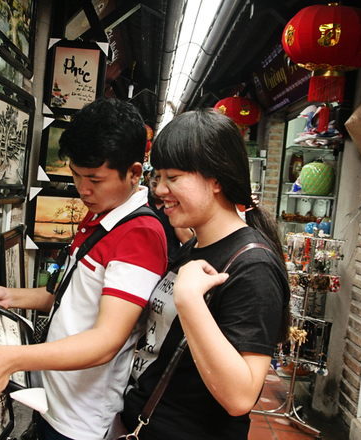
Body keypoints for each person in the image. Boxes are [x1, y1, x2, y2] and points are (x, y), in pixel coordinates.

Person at [0, 98, 168, 440]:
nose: (83, 189)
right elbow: (71, 296)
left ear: (135, 172)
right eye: (76, 176)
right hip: (54, 400)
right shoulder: (102, 214)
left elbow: (106, 341)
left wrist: (11, 359)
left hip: (81, 421)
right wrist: (11, 297)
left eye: (95, 178)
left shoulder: (139, 235)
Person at [121, 109, 290, 439]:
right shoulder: (196, 244)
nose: (160, 190)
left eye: (174, 177)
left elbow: (241, 398)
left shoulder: (252, 267)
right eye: (160, 177)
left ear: (216, 179)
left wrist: (189, 300)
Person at [148, 167, 194, 262]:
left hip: (170, 259)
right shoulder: (143, 202)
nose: (158, 190)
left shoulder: (175, 204)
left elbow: (186, 239)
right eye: (154, 185)